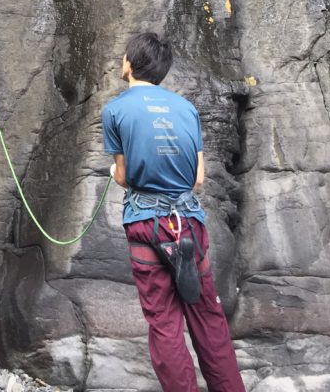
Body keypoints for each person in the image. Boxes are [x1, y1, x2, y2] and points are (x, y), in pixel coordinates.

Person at [102, 32, 246, 392]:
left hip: (145, 224)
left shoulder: (116, 110)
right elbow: (197, 180)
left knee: (164, 322)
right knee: (208, 317)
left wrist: (113, 174)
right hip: (188, 225)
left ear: (131, 63)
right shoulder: (186, 109)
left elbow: (123, 176)